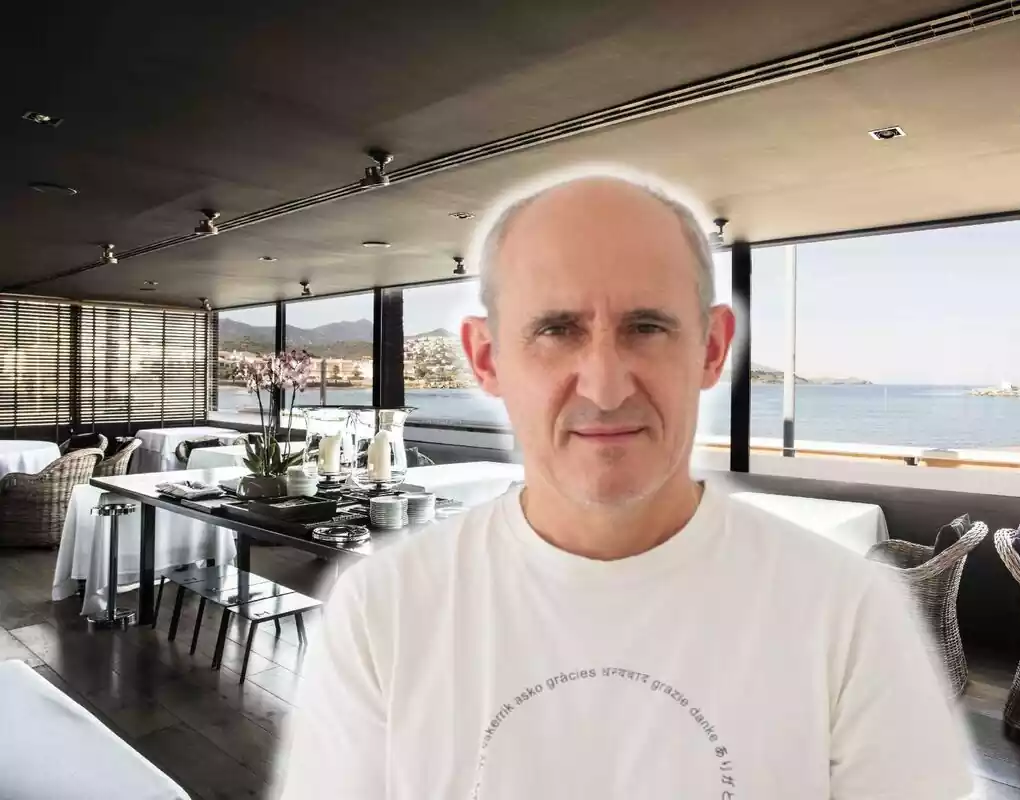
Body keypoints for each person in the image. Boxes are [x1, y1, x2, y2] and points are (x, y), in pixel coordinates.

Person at [280, 168, 974, 799]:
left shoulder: (848, 614)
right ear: (486, 359)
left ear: (710, 348)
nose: (606, 388)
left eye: (646, 327)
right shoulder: (384, 610)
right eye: (556, 329)